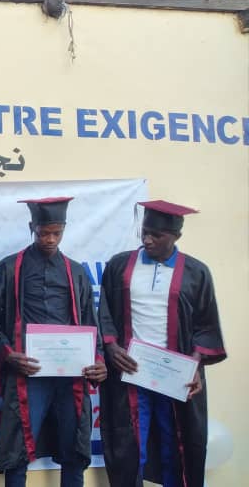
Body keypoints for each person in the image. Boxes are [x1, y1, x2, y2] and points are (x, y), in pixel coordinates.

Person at [97, 200, 226, 487]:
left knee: (176, 447)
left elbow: (206, 325)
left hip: (175, 376)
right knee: (129, 448)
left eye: (157, 234)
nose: (147, 239)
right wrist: (111, 346)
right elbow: (104, 311)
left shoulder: (196, 272)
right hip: (130, 373)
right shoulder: (120, 265)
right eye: (145, 231)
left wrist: (194, 365)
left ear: (176, 237)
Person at [0, 197, 107, 487]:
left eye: (56, 233)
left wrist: (98, 360)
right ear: (32, 227)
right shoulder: (10, 269)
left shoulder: (76, 272)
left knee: (74, 446)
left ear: (64, 230)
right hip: (29, 373)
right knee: (18, 450)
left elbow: (91, 322)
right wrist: (8, 355)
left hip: (71, 376)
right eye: (43, 233)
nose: (50, 239)